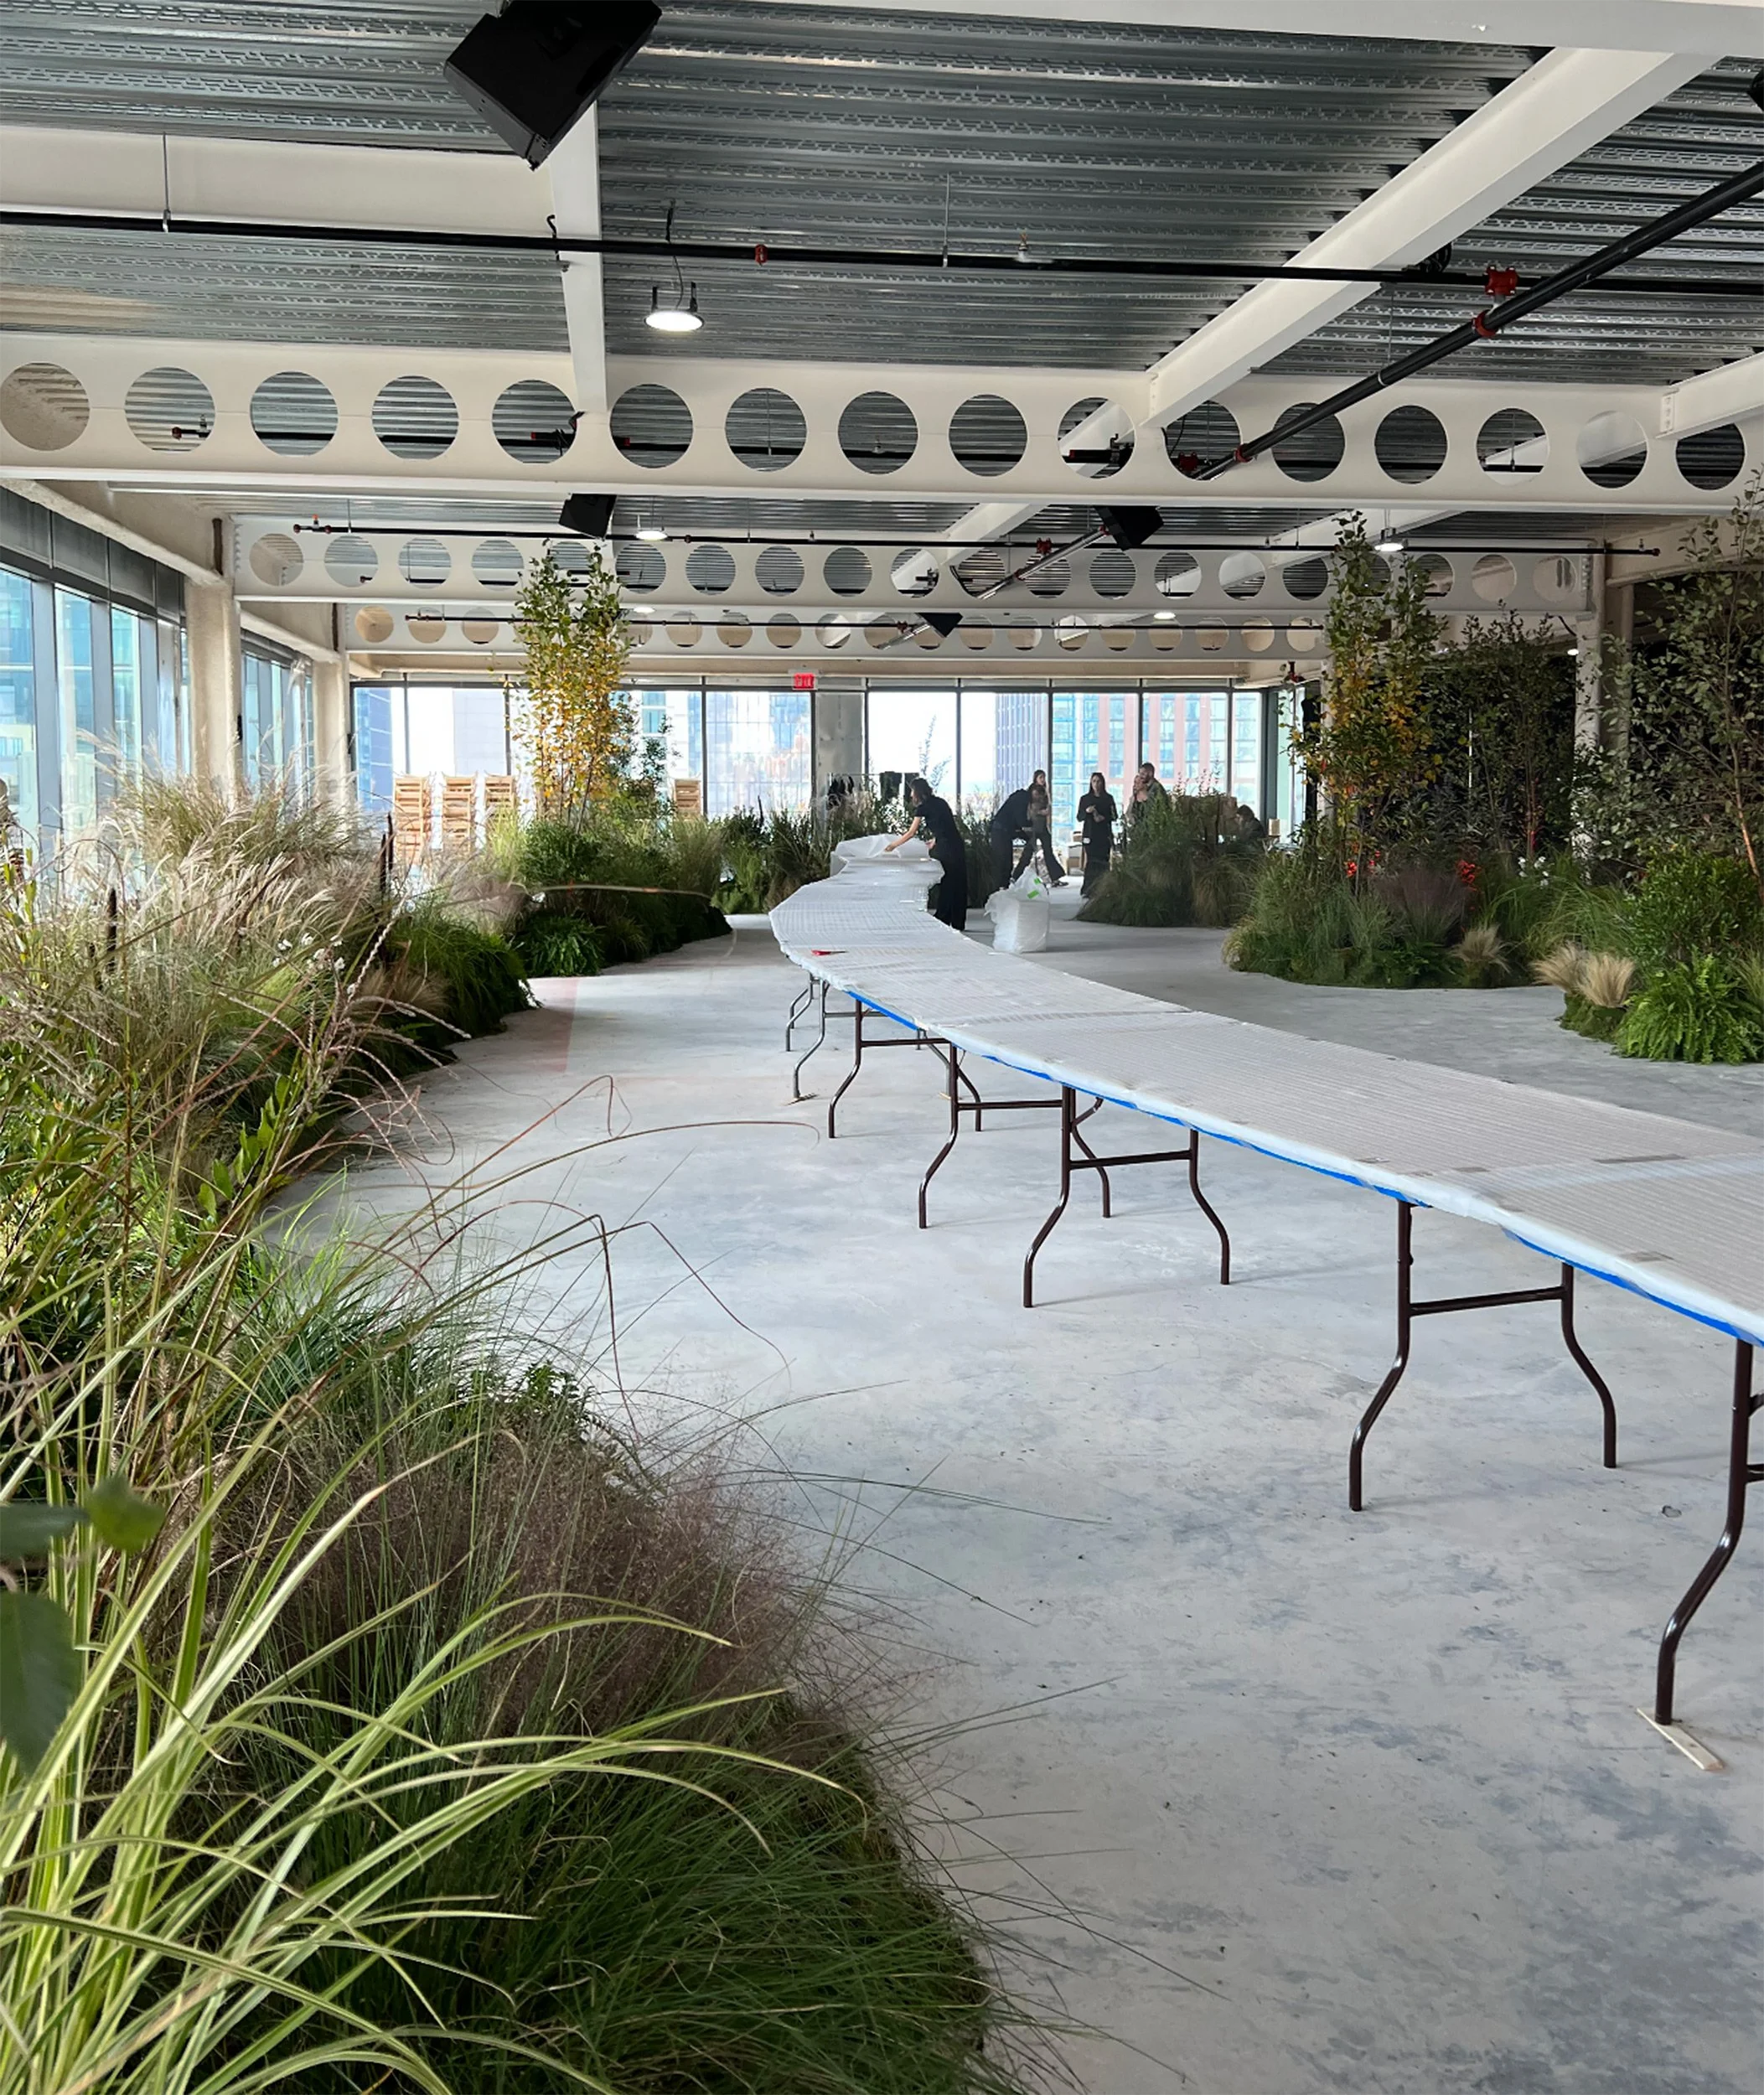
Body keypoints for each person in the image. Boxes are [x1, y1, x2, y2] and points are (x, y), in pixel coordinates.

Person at [887, 774, 969, 929]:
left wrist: (893, 845)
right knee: (958, 881)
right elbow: (946, 825)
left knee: (947, 881)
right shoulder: (940, 802)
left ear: (917, 792)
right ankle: (957, 921)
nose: (911, 795)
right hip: (956, 844)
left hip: (947, 848)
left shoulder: (922, 808)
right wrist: (935, 839)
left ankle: (943, 918)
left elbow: (911, 833)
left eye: (912, 791)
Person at [1077, 771, 1117, 896]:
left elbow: (1114, 815)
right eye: (1094, 781)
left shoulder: (1108, 798)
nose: (1096, 784)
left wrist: (1104, 818)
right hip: (1090, 834)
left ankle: (1104, 888)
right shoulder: (1085, 799)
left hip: (1104, 834)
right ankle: (1089, 889)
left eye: (1098, 781)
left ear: (1103, 783)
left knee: (1104, 861)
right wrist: (1087, 811)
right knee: (1091, 861)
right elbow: (1079, 817)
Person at [1022, 768, 1065, 884]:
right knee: (1031, 851)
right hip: (1035, 825)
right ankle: (1018, 876)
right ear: (1036, 778)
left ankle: (1055, 877)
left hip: (1041, 825)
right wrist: (1043, 812)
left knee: (1047, 850)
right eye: (1041, 777)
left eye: (1044, 777)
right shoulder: (1035, 791)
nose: (1043, 780)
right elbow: (1034, 808)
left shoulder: (1042, 790)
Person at [989, 781, 1032, 886]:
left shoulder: (1019, 798)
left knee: (1005, 863)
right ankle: (1000, 888)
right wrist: (1031, 825)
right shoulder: (1022, 800)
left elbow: (1017, 822)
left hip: (1002, 831)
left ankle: (1003, 887)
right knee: (1003, 863)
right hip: (1001, 831)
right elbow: (1021, 821)